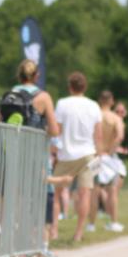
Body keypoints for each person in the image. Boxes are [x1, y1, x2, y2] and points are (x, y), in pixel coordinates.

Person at [8, 59, 59, 244]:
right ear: (37, 76)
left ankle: (19, 242)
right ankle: (39, 243)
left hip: (14, 153)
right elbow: (54, 129)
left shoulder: (10, 94)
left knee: (19, 199)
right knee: (40, 197)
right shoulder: (43, 97)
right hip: (36, 154)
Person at [53, 72, 103, 242]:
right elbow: (99, 135)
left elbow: (57, 130)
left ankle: (53, 230)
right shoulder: (94, 106)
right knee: (85, 194)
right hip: (88, 154)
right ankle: (78, 233)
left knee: (56, 193)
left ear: (70, 87)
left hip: (66, 154)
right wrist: (99, 156)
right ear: (85, 87)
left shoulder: (62, 104)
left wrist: (53, 150)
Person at [87, 90, 126, 233]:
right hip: (109, 158)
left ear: (99, 100)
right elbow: (120, 136)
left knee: (94, 192)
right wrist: (110, 151)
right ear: (111, 101)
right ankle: (114, 222)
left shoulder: (94, 117)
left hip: (95, 156)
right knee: (112, 191)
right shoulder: (115, 118)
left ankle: (91, 224)